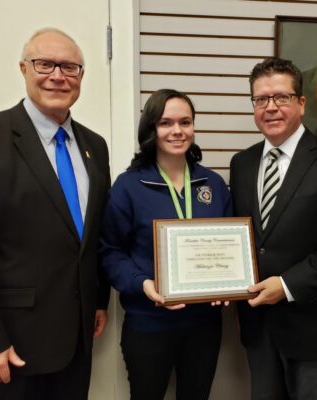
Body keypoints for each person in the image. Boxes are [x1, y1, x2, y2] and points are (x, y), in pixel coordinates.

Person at [0, 28, 111, 400]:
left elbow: (91, 237)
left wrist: (97, 301)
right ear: (23, 69)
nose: (57, 75)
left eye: (69, 67)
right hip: (5, 350)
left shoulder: (94, 147)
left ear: (81, 76)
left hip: (75, 346)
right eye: (44, 64)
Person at [229, 58, 317, 399]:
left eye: (281, 97)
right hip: (259, 328)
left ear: (301, 103)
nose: (271, 107)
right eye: (261, 99)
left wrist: (287, 284)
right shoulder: (242, 163)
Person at [99, 89, 232, 400]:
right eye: (166, 123)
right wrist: (143, 283)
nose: (177, 131)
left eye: (185, 122)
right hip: (149, 323)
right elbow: (110, 252)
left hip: (204, 325)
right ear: (151, 130)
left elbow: (228, 243)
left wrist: (227, 285)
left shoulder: (212, 184)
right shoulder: (129, 186)